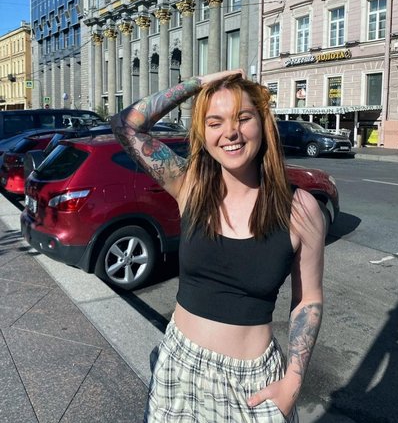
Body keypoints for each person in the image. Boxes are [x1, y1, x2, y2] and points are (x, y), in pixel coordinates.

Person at [111, 70, 324, 422]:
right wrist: (199, 83)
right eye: (215, 122)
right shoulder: (190, 186)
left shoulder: (300, 209)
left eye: (243, 117)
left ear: (263, 124)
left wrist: (293, 382)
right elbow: (127, 125)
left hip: (252, 384)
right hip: (179, 367)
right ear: (203, 132)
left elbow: (309, 299)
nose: (231, 132)